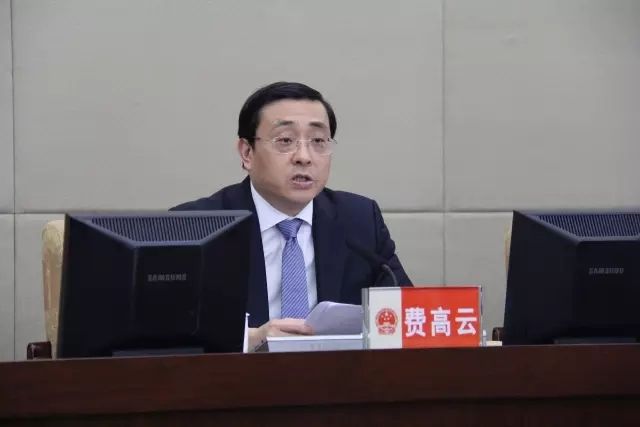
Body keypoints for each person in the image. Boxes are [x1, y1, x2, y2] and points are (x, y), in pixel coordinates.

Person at [172, 82, 412, 350]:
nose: (304, 157)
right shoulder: (194, 227)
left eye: (318, 141)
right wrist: (250, 340)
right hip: (236, 375)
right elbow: (164, 330)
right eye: (285, 140)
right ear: (247, 152)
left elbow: (407, 317)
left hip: (338, 374)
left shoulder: (359, 220)